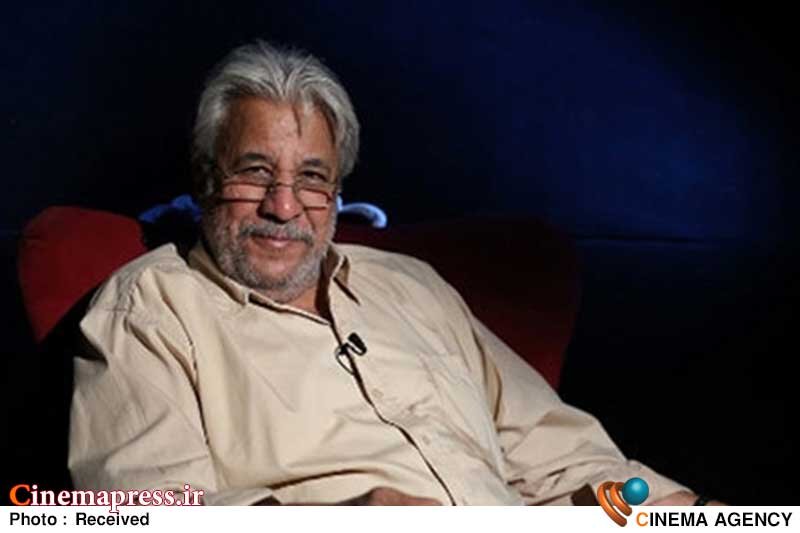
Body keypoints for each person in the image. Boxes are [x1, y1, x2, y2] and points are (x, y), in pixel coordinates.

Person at [69, 40, 714, 506]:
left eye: (312, 178)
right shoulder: (150, 310)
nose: (284, 206)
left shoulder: (414, 287)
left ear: (337, 192)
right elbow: (149, 512)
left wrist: (674, 510)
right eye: (255, 171)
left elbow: (563, 457)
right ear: (207, 178)